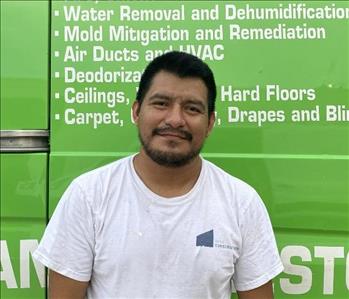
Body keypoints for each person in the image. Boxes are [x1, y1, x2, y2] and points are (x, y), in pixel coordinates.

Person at [34, 51, 283, 299]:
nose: (175, 119)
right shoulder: (89, 195)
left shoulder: (242, 203)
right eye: (161, 103)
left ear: (209, 123)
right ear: (136, 111)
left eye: (192, 108)